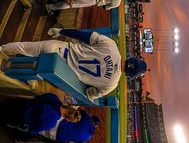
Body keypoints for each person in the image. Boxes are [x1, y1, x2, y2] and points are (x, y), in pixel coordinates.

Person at [0, 29, 147, 100]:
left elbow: (82, 35)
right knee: (36, 74)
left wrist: (61, 31)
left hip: (57, 49)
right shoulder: (112, 84)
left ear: (132, 59)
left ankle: (2, 50)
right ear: (130, 74)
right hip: (58, 73)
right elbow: (89, 94)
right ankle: (7, 75)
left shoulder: (112, 46)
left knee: (24, 48)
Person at [1, 93, 81, 134]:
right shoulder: (51, 123)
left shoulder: (54, 97)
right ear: (67, 119)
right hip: (19, 117)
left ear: (70, 107)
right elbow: (33, 130)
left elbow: (37, 98)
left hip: (21, 103)